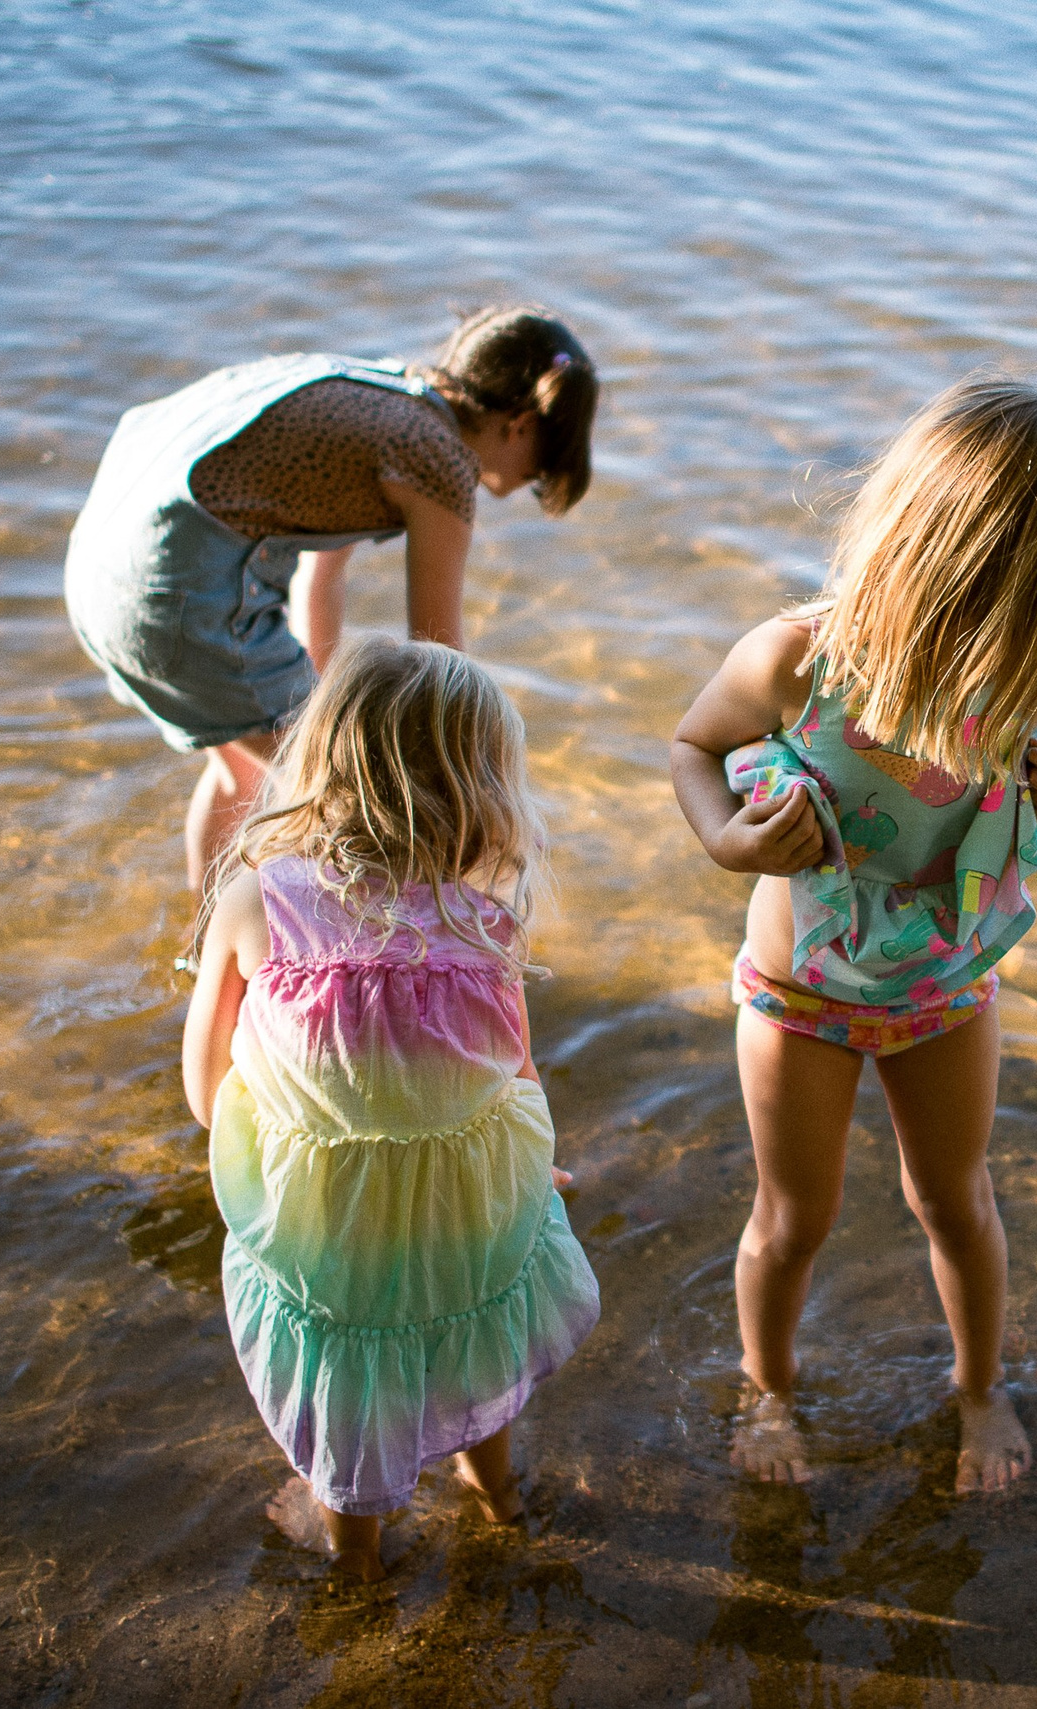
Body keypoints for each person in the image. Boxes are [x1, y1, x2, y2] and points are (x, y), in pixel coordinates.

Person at [669, 377, 1037, 1495]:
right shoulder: (796, 662)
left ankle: (979, 1387)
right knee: (793, 1218)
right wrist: (729, 842)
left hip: (945, 992)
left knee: (956, 1200)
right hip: (799, 999)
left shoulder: (1008, 688)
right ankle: (768, 1388)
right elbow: (693, 747)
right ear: (1003, 578)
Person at [181, 636, 598, 1582]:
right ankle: (498, 1496)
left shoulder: (256, 901)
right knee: (472, 1339)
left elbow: (205, 1094)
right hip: (470, 1217)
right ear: (482, 787)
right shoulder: (485, 922)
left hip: (328, 1232)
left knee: (350, 1381)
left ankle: (357, 1555)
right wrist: (530, 1173)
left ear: (322, 758)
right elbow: (515, 1078)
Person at [66, 305, 599, 888]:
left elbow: (320, 580)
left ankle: (206, 939)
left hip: (110, 570)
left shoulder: (380, 397)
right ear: (521, 424)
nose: (533, 480)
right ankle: (327, 943)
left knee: (246, 772)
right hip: (178, 599)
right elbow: (440, 662)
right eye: (543, 463)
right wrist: (479, 792)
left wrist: (319, 710)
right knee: (358, 803)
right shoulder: (440, 462)